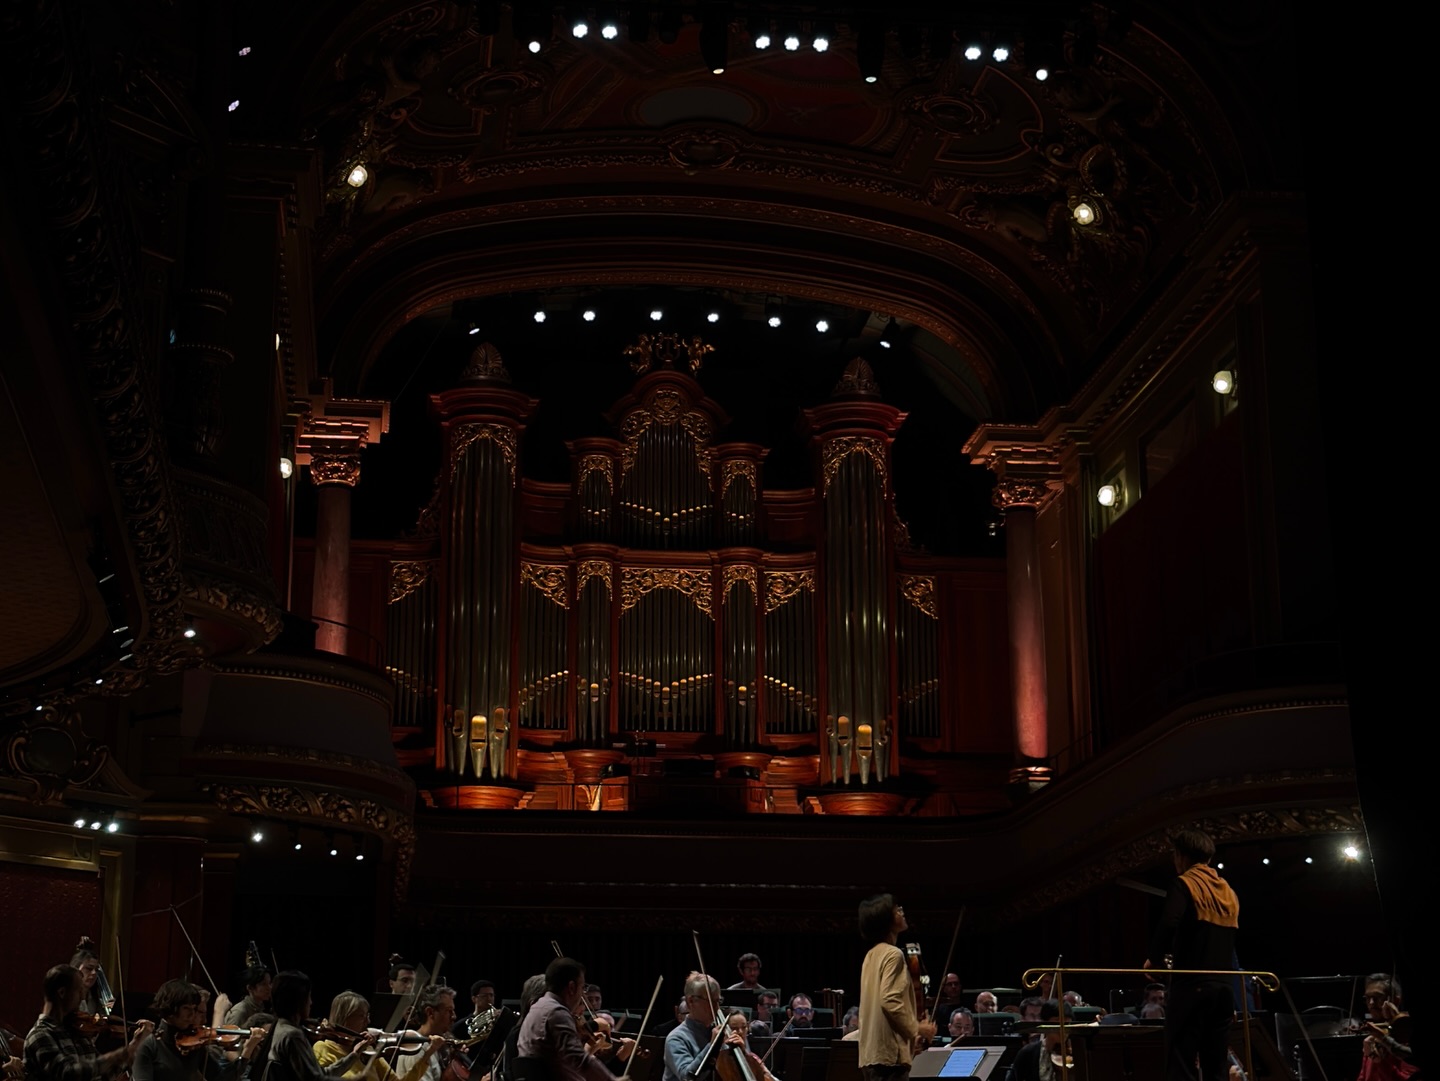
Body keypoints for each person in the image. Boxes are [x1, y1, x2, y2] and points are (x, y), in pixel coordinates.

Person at [1146, 829, 1240, 1081]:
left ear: (1181, 856)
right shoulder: (1228, 891)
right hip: (1224, 991)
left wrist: (1153, 959)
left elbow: (1169, 922)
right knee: (1216, 1066)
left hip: (1192, 986)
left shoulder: (1185, 883)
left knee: (1181, 1063)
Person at [24, 964, 153, 1081]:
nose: (82, 997)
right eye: (79, 991)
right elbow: (68, 1073)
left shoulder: (77, 1031)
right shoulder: (39, 1035)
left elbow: (105, 1075)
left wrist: (136, 1044)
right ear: (62, 993)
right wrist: (119, 1055)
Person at [856, 894, 935, 1081]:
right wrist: (918, 1029)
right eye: (897, 910)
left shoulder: (871, 955)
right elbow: (889, 1000)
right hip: (889, 1059)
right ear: (887, 920)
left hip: (870, 1055)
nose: (902, 912)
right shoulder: (894, 954)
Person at [517, 957, 629, 1081]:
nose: (582, 994)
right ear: (571, 987)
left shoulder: (537, 1008)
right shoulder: (556, 1012)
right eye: (582, 988)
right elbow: (578, 1059)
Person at [131, 980, 265, 1081]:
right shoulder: (149, 1046)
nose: (192, 1016)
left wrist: (247, 1051)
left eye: (194, 1009)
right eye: (186, 1009)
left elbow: (221, 1079)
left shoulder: (194, 1046)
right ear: (170, 1009)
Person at [262, 971, 375, 1081]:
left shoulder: (281, 1026)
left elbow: (320, 1074)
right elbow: (316, 1079)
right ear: (298, 1001)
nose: (311, 1002)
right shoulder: (292, 1035)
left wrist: (355, 1054)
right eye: (308, 997)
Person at [312, 991, 443, 1081]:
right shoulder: (322, 1048)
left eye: (368, 1016)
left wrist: (428, 1053)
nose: (368, 1022)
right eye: (362, 1016)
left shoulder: (369, 1051)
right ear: (345, 1017)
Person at [661, 973, 770, 1081]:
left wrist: (741, 1054)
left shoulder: (723, 1032)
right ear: (691, 1001)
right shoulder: (676, 1038)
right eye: (710, 1001)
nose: (716, 1007)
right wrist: (712, 1046)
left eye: (718, 1001)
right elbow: (687, 1077)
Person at [389, 986, 457, 1081]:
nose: (454, 1016)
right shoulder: (415, 1049)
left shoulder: (435, 1043)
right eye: (448, 1011)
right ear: (430, 1012)